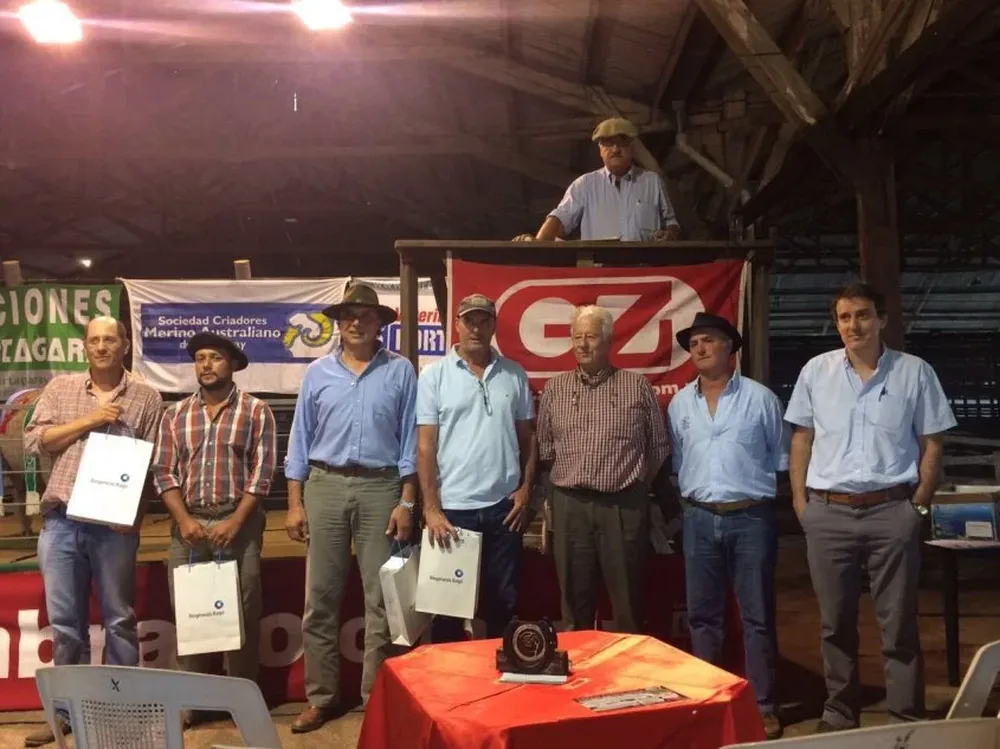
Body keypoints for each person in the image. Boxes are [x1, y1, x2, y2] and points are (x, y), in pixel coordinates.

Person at [785, 283, 957, 733]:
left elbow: (933, 440)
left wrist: (917, 506)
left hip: (891, 513)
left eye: (862, 315)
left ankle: (905, 716)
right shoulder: (815, 372)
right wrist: (802, 504)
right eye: (844, 317)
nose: (852, 325)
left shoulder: (914, 372)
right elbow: (801, 437)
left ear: (881, 320)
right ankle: (840, 711)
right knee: (833, 623)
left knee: (898, 623)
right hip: (828, 512)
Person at [283, 283, 418, 733]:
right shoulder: (318, 373)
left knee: (382, 600)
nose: (355, 322)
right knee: (319, 598)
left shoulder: (401, 372)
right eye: (347, 315)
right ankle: (321, 698)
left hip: (381, 489)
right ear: (338, 323)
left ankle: (375, 700)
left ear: (380, 322)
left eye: (364, 314)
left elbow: (409, 444)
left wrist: (406, 500)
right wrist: (295, 503)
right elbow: (299, 441)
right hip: (325, 486)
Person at [23, 317, 163, 748]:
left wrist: (135, 516)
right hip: (62, 521)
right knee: (66, 625)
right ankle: (64, 713)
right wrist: (90, 419)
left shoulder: (146, 396)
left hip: (114, 525)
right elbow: (34, 441)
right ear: (85, 347)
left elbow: (152, 464)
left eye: (110, 340)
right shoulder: (61, 388)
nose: (102, 347)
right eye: (94, 340)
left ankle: (123, 711)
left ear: (125, 346)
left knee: (120, 620)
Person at [666, 312, 787, 740]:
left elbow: (780, 458)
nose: (698, 348)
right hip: (699, 517)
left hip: (751, 516)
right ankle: (709, 701)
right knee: (703, 618)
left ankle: (763, 707)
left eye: (709, 341)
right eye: (694, 342)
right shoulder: (680, 404)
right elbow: (680, 462)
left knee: (756, 616)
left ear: (730, 349)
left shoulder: (761, 400)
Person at [152, 332, 276, 726]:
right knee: (191, 615)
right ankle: (191, 702)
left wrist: (236, 521)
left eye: (216, 358)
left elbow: (263, 472)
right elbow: (163, 472)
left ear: (232, 365)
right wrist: (183, 520)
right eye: (200, 358)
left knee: (241, 611)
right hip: (188, 526)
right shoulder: (175, 415)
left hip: (237, 524)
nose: (206, 365)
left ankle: (241, 703)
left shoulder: (257, 411)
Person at [536, 305, 669, 633]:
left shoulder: (636, 386)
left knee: (627, 605)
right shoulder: (556, 387)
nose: (582, 344)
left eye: (591, 337)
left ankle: (627, 680)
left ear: (608, 342)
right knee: (574, 605)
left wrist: (633, 484)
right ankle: (579, 679)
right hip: (570, 506)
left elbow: (658, 447)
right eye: (577, 337)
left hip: (622, 507)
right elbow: (546, 447)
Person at [416, 293, 537, 642]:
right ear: (457, 324)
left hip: (504, 510)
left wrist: (526, 490)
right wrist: (432, 508)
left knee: (504, 607)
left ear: (494, 326)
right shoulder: (434, 376)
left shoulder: (513, 374)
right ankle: (449, 694)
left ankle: (498, 686)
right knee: (448, 614)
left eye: (484, 321)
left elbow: (528, 440)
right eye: (470, 320)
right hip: (452, 513)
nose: (476, 328)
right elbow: (425, 447)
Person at [515, 117, 681, 242]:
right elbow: (559, 220)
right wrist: (537, 244)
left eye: (622, 143)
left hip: (645, 272)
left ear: (632, 147)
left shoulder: (652, 181)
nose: (615, 149)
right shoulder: (584, 185)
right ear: (600, 149)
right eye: (608, 143)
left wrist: (670, 234)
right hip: (600, 274)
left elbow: (671, 222)